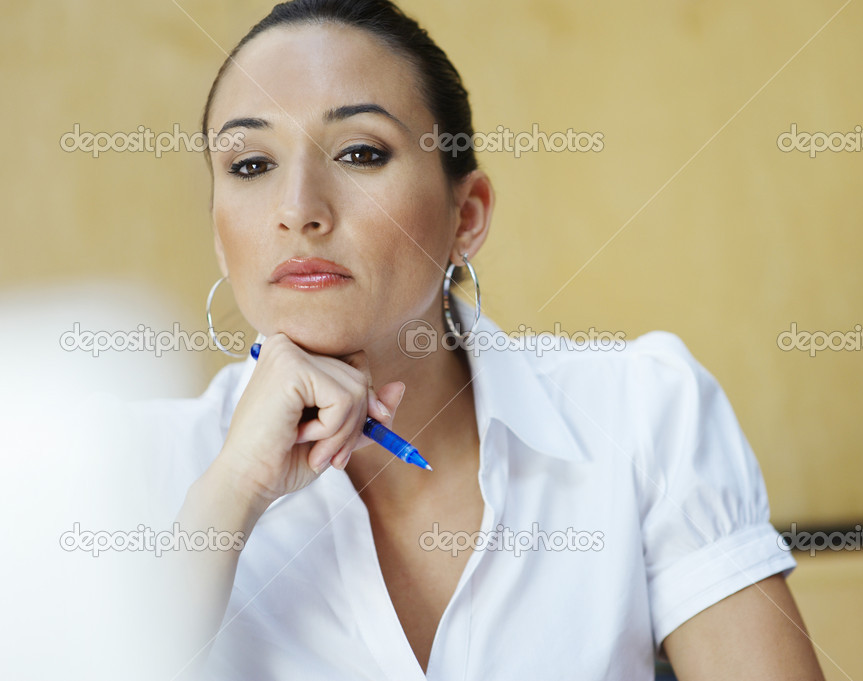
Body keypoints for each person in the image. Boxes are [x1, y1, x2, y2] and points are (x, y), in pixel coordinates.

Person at [147, 1, 827, 678]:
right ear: (217, 233)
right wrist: (235, 488)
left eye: (359, 152)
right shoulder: (139, 469)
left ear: (464, 217)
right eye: (250, 164)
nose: (297, 210)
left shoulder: (642, 413)